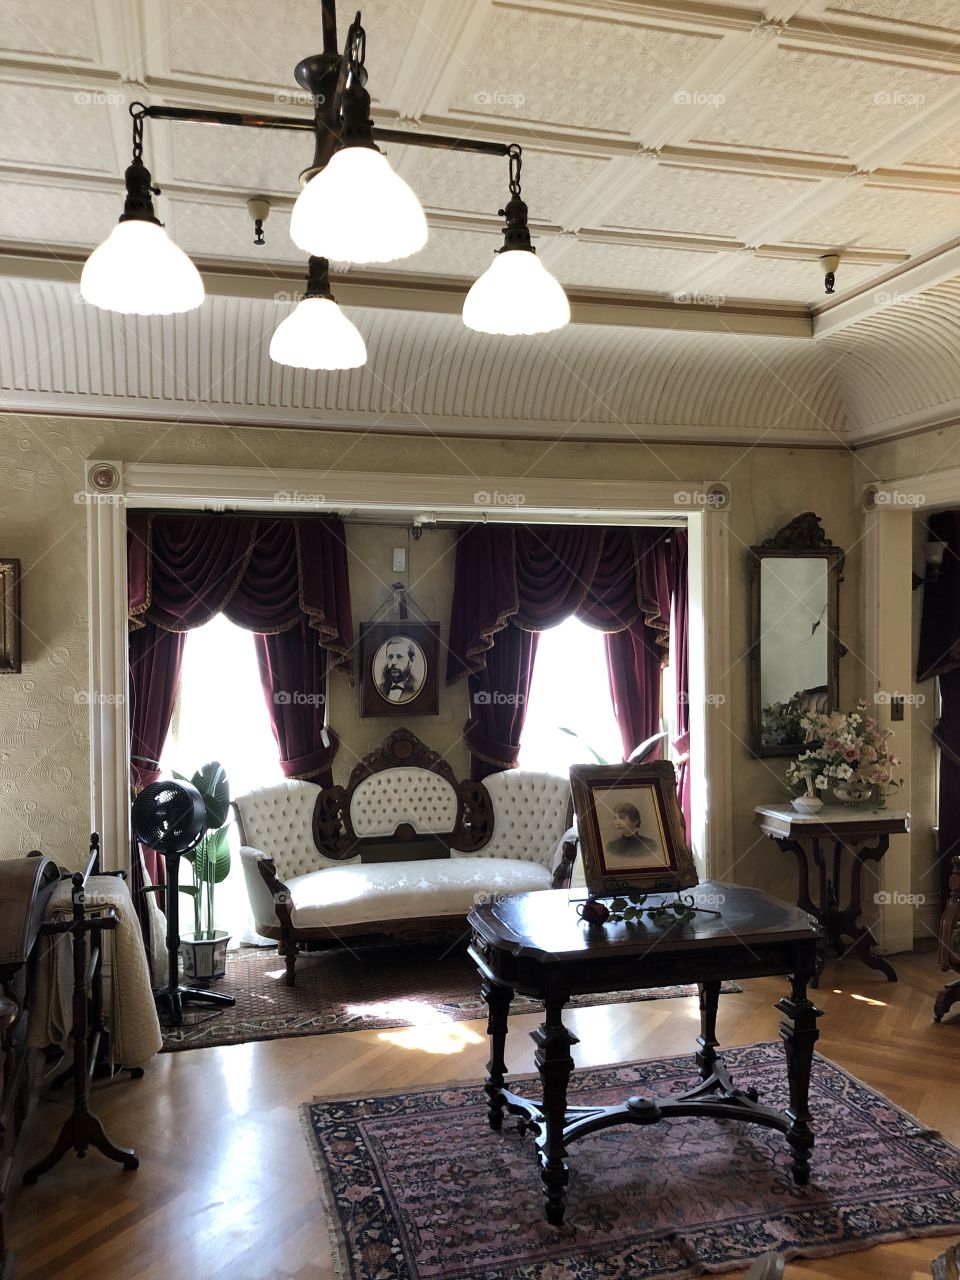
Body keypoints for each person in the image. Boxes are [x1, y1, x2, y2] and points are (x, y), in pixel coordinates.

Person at [379, 637, 420, 702]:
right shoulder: (379, 690)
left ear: (411, 660)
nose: (393, 662)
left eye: (399, 657)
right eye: (390, 657)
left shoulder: (419, 690)